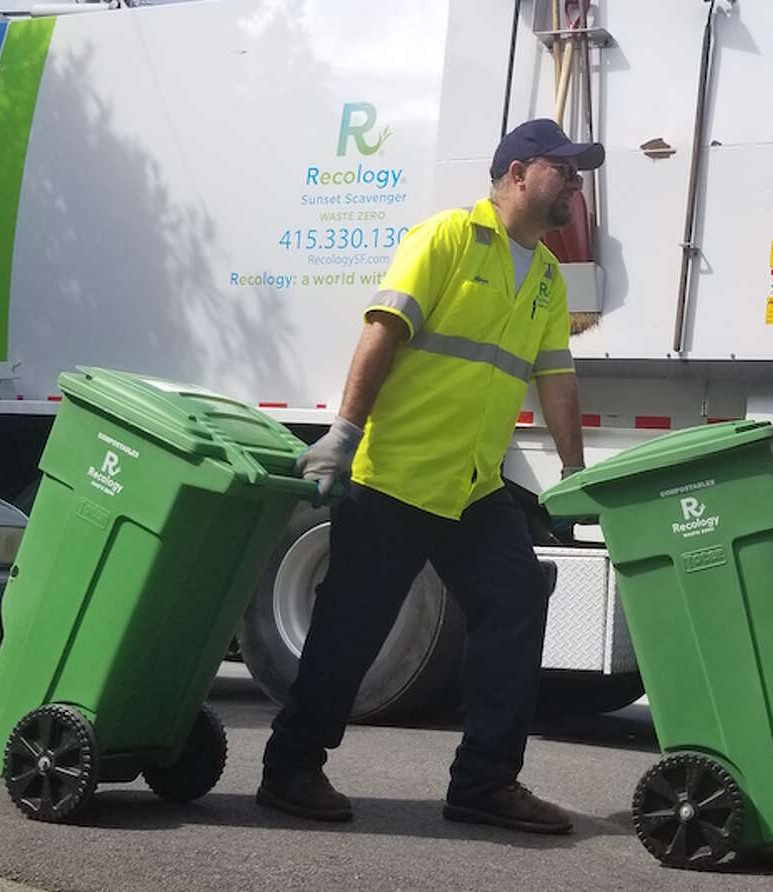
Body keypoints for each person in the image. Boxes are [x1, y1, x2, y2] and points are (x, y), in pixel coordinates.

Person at [256, 118, 604, 835]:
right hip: (397, 475)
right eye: (563, 168)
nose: (575, 181)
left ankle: (484, 781)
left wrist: (573, 474)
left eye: (578, 170)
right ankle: (290, 768)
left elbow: (557, 379)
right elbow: (382, 329)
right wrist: (344, 435)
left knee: (515, 600)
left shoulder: (544, 276)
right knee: (352, 627)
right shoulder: (446, 238)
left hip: (475, 485)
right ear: (517, 172)